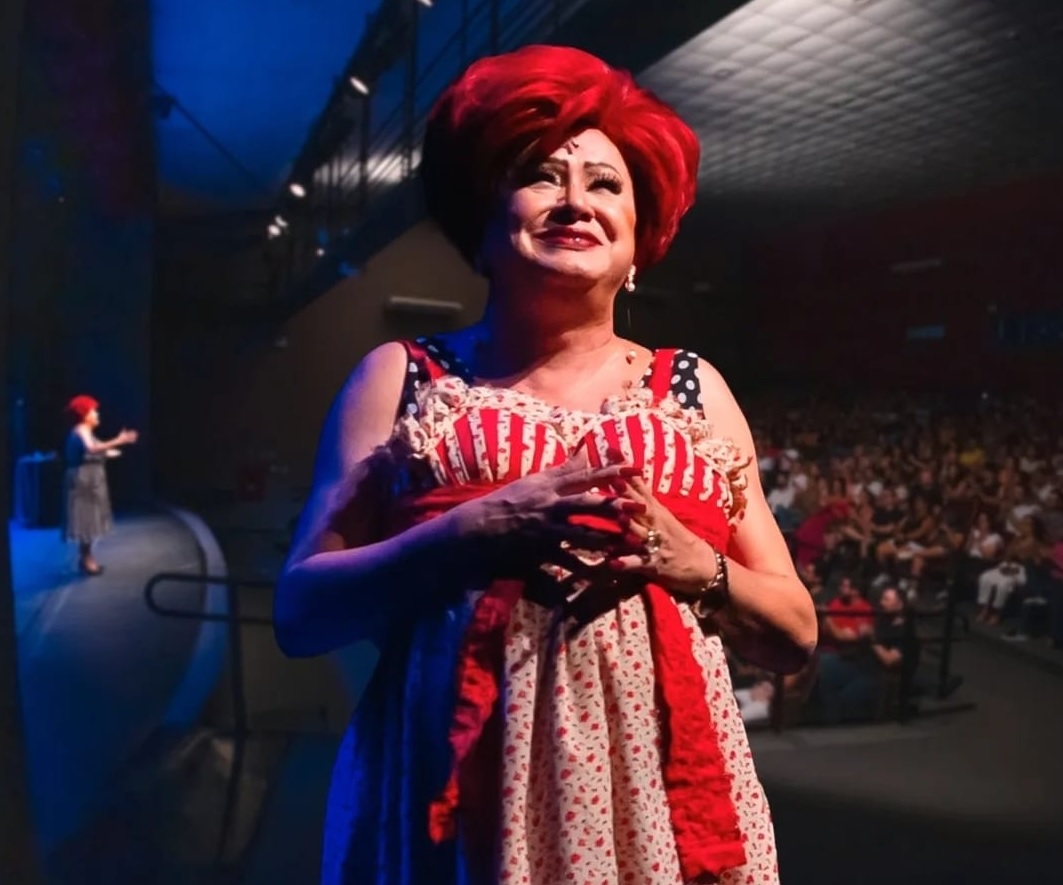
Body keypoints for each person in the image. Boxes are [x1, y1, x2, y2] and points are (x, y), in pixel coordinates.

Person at [275, 45, 817, 885]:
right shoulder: (404, 376)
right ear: (483, 220)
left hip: (655, 804)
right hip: (452, 792)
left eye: (605, 184)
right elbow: (301, 612)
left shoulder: (691, 388)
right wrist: (467, 533)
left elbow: (794, 632)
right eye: (539, 175)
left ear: (637, 239)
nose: (575, 201)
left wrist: (694, 563)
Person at [61, 395, 138, 575]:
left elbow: (97, 447)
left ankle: (86, 558)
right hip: (83, 480)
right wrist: (119, 440)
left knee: (90, 520)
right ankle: (86, 559)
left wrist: (111, 448)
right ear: (84, 414)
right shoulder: (81, 429)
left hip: (90, 479)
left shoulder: (87, 432)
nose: (97, 414)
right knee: (86, 521)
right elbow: (92, 448)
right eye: (93, 411)